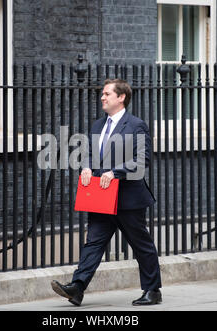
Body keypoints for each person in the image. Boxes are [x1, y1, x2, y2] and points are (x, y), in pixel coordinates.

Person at [51, 79, 162, 306]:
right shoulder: (97, 125)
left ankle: (153, 290)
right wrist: (87, 167)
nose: (102, 97)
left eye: (107, 93)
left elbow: (142, 160)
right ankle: (77, 287)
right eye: (102, 94)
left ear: (121, 97)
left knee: (141, 244)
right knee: (93, 242)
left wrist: (115, 172)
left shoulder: (136, 125)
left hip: (128, 197)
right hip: (101, 197)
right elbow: (91, 153)